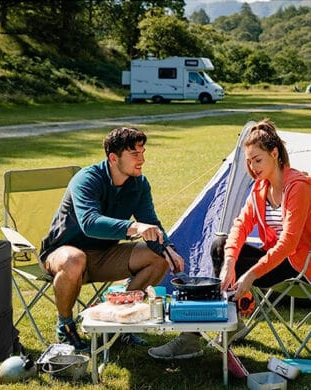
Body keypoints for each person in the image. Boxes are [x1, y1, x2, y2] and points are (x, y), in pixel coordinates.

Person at [149, 119, 311, 360]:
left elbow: (288, 243)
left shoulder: (298, 187)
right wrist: (228, 264)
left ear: (274, 154)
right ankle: (219, 324)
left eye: (258, 160)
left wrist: (250, 275)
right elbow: (240, 225)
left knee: (230, 256)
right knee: (220, 245)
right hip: (274, 261)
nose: (253, 167)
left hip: (298, 265)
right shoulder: (260, 188)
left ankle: (197, 334)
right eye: (249, 161)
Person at [39, 126, 184, 351]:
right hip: (63, 255)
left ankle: (119, 322)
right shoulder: (87, 179)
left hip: (104, 256)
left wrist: (169, 249)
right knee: (74, 258)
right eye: (135, 154)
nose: (142, 159)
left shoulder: (139, 184)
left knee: (159, 258)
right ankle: (65, 326)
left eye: (143, 152)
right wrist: (134, 227)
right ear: (113, 158)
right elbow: (89, 223)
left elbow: (152, 223)